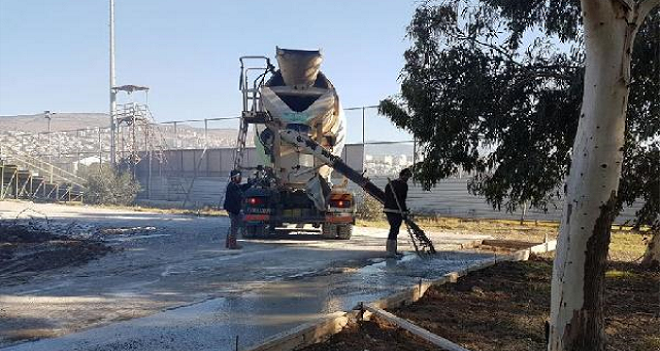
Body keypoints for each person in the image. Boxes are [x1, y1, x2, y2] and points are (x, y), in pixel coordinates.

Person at [383, 168, 412, 257]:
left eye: (408, 177)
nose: (407, 179)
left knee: (394, 229)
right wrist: (405, 211)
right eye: (406, 176)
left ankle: (392, 251)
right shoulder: (403, 185)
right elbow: (402, 200)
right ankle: (390, 252)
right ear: (402, 175)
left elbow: (387, 197)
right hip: (396, 211)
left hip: (388, 210)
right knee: (394, 230)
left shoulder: (390, 184)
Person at [223, 169, 252, 249]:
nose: (240, 178)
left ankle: (229, 242)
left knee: (235, 224)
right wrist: (243, 198)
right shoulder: (232, 186)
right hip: (233, 209)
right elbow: (238, 195)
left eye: (240, 177)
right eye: (238, 177)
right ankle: (232, 243)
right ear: (233, 177)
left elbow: (242, 188)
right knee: (234, 226)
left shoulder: (234, 185)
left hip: (234, 209)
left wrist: (250, 184)